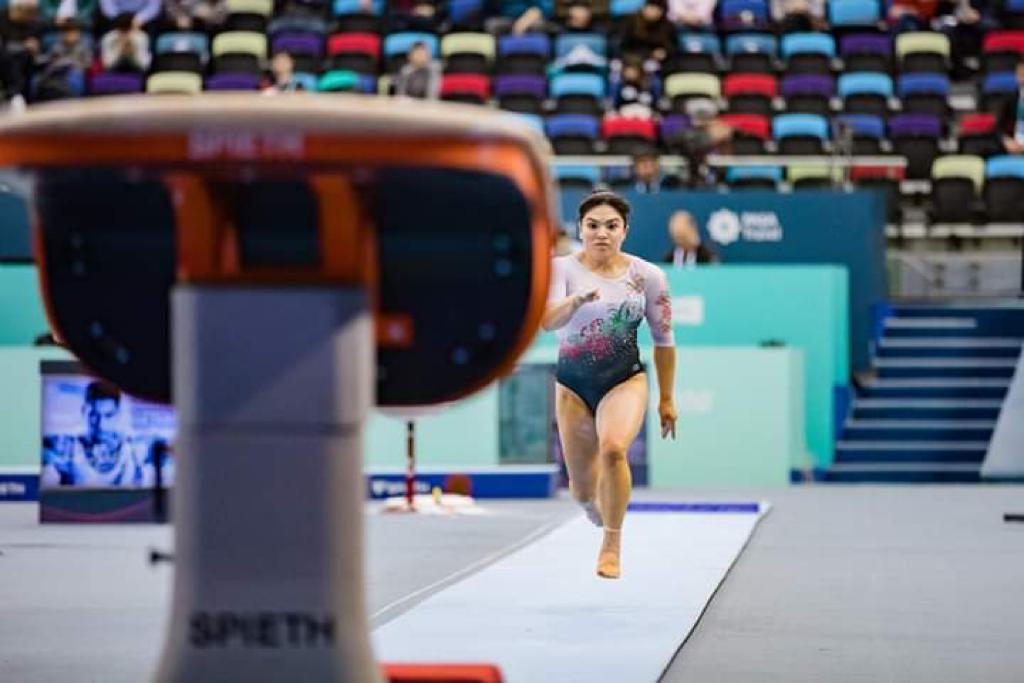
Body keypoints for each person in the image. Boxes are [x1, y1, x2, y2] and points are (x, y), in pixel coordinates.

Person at [542, 191, 677, 579]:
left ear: (625, 231)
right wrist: (575, 301)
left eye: (611, 226)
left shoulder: (647, 276)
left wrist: (667, 397)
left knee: (615, 450)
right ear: (580, 230)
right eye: (593, 225)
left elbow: (665, 341)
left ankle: (612, 545)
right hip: (572, 387)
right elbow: (547, 321)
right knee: (583, 491)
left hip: (624, 379)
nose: (602, 233)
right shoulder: (560, 269)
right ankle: (593, 508)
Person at [41, 380, 144, 487]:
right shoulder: (66, 447)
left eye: (108, 415)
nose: (101, 425)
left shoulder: (135, 450)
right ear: (85, 411)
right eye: (94, 415)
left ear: (118, 414)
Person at [621, 0, 674, 67]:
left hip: (659, 64)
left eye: (658, 9)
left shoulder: (667, 26)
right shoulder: (631, 22)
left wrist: (664, 53)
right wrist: (649, 54)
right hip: (634, 60)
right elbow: (624, 48)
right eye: (651, 7)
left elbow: (671, 47)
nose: (654, 12)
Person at [999, 61, 1024, 155]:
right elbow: (999, 128)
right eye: (1020, 74)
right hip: (1014, 146)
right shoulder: (1010, 98)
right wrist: (1006, 141)